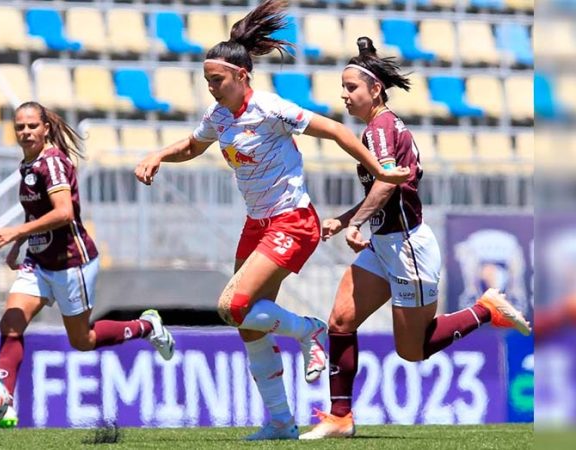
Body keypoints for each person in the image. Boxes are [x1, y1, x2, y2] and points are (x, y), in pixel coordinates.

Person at [135, 1, 410, 440]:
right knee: (248, 325)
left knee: (230, 307)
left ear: (242, 76)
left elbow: (337, 131)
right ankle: (280, 422)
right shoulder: (220, 116)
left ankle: (309, 330)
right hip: (257, 224)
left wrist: (378, 169)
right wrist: (158, 155)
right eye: (207, 81)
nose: (211, 88)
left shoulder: (271, 108)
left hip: (292, 221)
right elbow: (193, 145)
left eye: (217, 80)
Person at [300, 37, 532, 440]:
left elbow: (388, 187)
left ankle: (485, 309)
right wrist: (346, 219)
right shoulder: (378, 128)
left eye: (351, 87)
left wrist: (356, 223)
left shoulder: (381, 130)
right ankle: (340, 418)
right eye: (342, 87)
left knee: (413, 351)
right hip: (386, 244)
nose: (344, 95)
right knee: (340, 318)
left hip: (407, 248)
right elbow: (385, 187)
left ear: (375, 90)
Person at [0, 101, 175, 428]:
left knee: (82, 341)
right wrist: (19, 244)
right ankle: (4, 401)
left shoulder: (53, 164)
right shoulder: (29, 164)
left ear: (45, 128)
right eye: (20, 127)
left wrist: (16, 231)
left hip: (72, 262)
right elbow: (37, 214)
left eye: (32, 126)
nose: (25, 132)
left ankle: (147, 326)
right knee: (11, 324)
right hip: (39, 261)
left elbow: (64, 213)